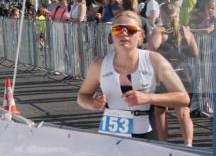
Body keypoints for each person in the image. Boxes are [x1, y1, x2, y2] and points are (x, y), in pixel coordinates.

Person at [77, 11, 189, 142]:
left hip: (147, 131)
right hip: (111, 132)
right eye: (118, 29)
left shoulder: (154, 60)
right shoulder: (99, 64)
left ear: (141, 35)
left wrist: (148, 98)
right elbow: (82, 96)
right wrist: (92, 103)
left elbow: (183, 98)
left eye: (130, 30)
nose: (124, 33)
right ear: (112, 36)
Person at [148, 3, 199, 145]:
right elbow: (195, 52)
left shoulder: (159, 31)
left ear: (162, 15)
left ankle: (164, 143)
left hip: (166, 75)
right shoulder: (186, 31)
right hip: (183, 74)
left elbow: (151, 52)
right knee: (183, 112)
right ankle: (188, 144)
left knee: (160, 111)